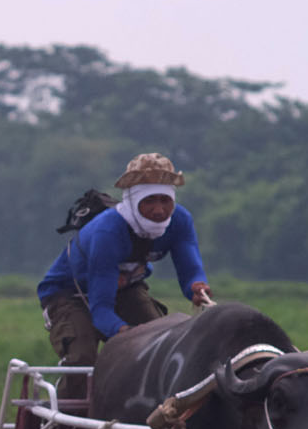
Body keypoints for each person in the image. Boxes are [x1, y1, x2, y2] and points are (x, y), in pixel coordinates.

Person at [36, 153, 211, 397]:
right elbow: (101, 310)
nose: (159, 210)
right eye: (149, 201)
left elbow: (190, 268)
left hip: (125, 287)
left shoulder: (179, 220)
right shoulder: (108, 231)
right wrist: (125, 334)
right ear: (132, 199)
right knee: (83, 361)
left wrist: (196, 288)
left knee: (162, 345)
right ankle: (65, 427)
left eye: (165, 200)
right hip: (70, 293)